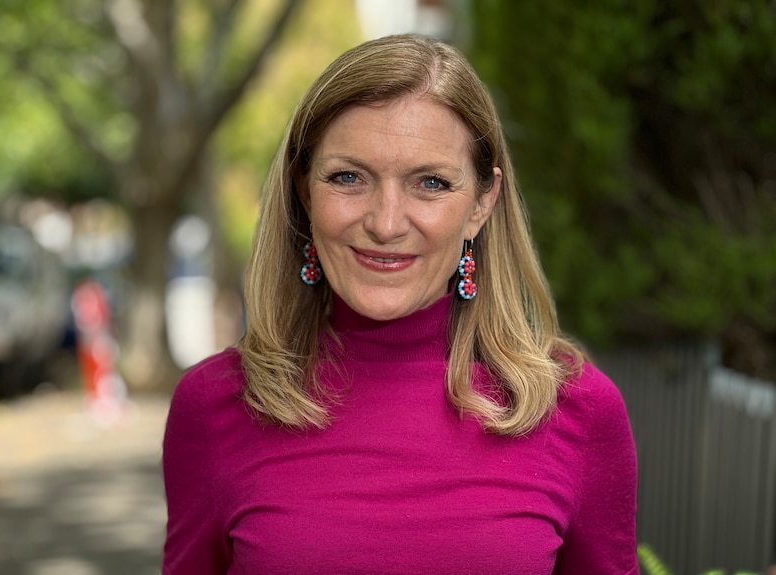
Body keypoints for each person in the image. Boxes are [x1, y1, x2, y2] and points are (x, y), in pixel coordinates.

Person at [162, 34, 638, 574]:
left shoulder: (577, 411)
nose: (386, 223)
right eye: (349, 178)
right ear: (303, 189)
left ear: (482, 203)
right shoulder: (215, 405)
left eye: (430, 183)